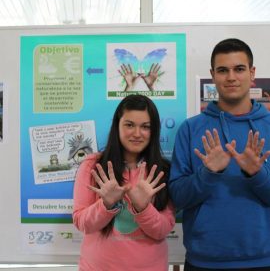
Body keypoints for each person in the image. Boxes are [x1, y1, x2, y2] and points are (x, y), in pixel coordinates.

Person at [169, 38, 270, 270]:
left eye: (239, 69)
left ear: (252, 73)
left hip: (264, 260)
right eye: (223, 70)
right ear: (213, 75)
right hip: (204, 261)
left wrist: (257, 174)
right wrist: (208, 173)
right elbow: (178, 199)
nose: (231, 77)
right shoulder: (190, 129)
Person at [73, 94, 175, 271]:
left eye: (145, 127)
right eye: (129, 125)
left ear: (154, 130)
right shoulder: (93, 165)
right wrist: (106, 204)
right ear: (117, 126)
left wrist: (143, 208)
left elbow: (162, 230)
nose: (137, 133)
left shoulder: (162, 170)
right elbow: (83, 224)